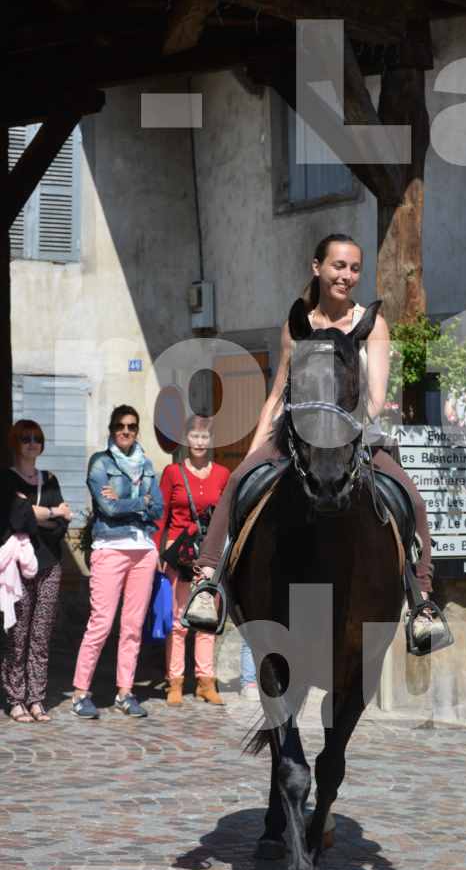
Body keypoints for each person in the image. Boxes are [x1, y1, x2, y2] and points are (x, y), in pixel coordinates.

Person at [192, 233, 445, 644]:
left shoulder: (372, 324)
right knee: (239, 481)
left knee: (412, 500)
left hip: (357, 436)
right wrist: (255, 449)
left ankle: (422, 601)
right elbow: (277, 394)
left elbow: (377, 400)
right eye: (338, 266)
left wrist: (336, 415)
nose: (346, 275)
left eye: (354, 268)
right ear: (318, 268)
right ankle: (209, 581)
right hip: (297, 436)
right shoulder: (298, 326)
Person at [71, 405, 163, 719]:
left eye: (132, 427)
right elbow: (107, 510)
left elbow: (158, 509)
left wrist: (129, 503)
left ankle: (125, 691)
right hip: (110, 547)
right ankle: (80, 693)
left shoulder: (147, 464)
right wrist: (141, 502)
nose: (127, 432)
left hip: (143, 550)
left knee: (133, 627)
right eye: (121, 426)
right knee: (101, 623)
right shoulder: (101, 463)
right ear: (112, 429)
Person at [153, 416, 229, 707]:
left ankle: (205, 682)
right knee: (179, 619)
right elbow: (162, 514)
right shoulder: (173, 473)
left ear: (211, 441)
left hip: (208, 556)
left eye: (204, 437)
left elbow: (225, 517)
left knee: (206, 618)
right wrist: (159, 551)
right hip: (179, 553)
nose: (199, 442)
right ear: (187, 439)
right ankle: (175, 682)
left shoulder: (222, 474)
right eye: (194, 436)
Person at [0, 420, 71, 722]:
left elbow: (61, 526)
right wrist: (51, 512)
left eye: (36, 438)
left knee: (41, 635)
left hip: (49, 563)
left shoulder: (50, 479)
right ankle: (15, 698)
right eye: (25, 438)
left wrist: (35, 514)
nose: (32, 443)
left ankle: (36, 698)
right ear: (15, 443)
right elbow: (14, 519)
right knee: (17, 634)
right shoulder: (6, 480)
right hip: (17, 567)